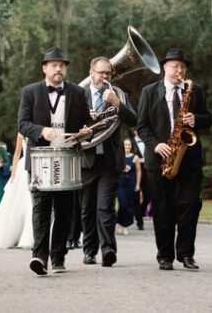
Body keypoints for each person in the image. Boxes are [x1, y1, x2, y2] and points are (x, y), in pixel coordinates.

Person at [137, 47, 212, 271]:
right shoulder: (149, 91)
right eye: (174, 65)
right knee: (162, 208)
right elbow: (142, 126)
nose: (178, 69)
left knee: (190, 205)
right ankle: (165, 255)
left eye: (182, 66)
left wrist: (195, 119)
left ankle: (186, 254)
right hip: (160, 158)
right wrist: (155, 145)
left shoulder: (194, 90)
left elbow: (208, 118)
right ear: (164, 68)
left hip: (189, 159)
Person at [18, 47, 88, 276]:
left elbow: (85, 123)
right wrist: (41, 131)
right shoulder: (30, 92)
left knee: (65, 211)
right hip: (40, 160)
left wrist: (86, 131)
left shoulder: (78, 92)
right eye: (54, 65)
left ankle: (58, 256)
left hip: (66, 159)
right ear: (44, 68)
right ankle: (39, 256)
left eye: (62, 65)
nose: (58, 69)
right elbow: (23, 124)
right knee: (41, 209)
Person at [78, 56, 138, 267]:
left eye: (108, 73)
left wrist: (116, 103)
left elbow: (133, 120)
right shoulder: (79, 95)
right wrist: (85, 119)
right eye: (101, 72)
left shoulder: (118, 94)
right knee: (87, 209)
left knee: (105, 207)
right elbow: (66, 126)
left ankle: (108, 250)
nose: (104, 76)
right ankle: (89, 251)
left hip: (111, 161)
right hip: (86, 160)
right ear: (91, 72)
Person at [116, 138, 141, 236]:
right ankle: (124, 225)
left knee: (128, 206)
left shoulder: (135, 157)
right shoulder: (119, 156)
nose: (127, 147)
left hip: (130, 184)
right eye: (125, 145)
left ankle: (121, 224)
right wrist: (122, 168)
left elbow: (139, 171)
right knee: (122, 205)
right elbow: (115, 169)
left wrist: (138, 184)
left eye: (129, 145)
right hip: (120, 184)